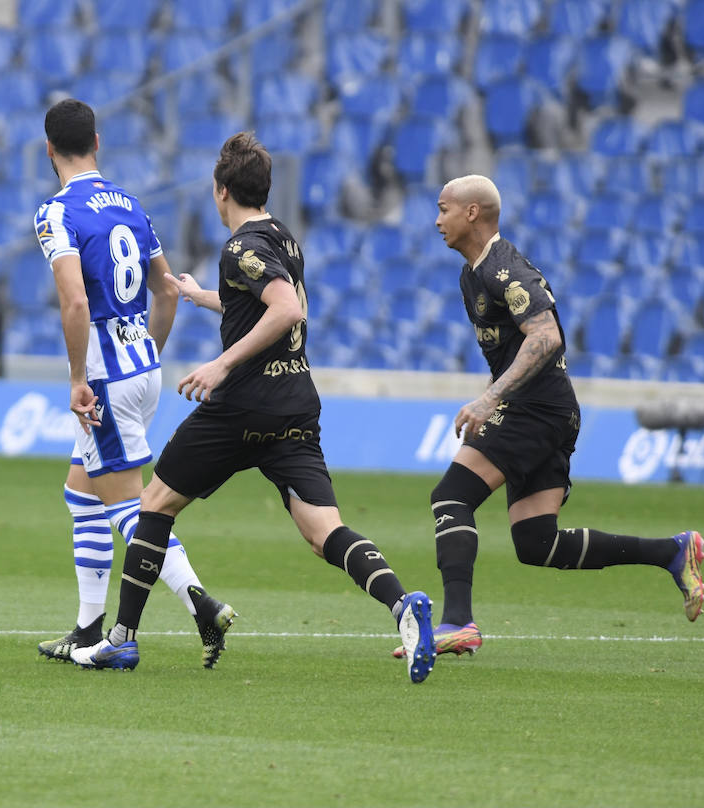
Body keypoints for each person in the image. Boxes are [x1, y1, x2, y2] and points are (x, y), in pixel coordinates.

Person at [71, 133, 437, 684]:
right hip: (295, 405)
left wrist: (221, 365)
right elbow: (263, 301)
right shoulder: (283, 238)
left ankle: (121, 639)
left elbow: (285, 309)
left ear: (222, 191)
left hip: (243, 406)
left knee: (155, 505)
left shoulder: (239, 247)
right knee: (324, 532)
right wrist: (203, 296)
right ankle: (402, 604)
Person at [399, 174, 704, 659]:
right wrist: (495, 395)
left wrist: (489, 399)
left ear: (472, 212)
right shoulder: (471, 275)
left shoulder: (504, 269)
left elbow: (546, 337)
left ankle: (458, 622)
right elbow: (515, 350)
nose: (437, 220)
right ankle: (672, 551)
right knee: (536, 543)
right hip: (547, 409)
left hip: (535, 410)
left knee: (451, 497)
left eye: (444, 208)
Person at [32, 98, 236, 668]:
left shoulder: (55, 212)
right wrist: (145, 353)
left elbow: (75, 301)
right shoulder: (131, 204)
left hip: (104, 377)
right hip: (143, 365)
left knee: (131, 508)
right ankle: (86, 628)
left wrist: (79, 378)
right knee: (82, 493)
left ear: (49, 149)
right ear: (97, 142)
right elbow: (167, 290)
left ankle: (200, 603)